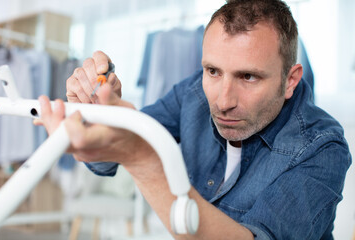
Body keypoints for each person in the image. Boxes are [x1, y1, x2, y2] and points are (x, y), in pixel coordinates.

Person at [37, 0, 351, 239]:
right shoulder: (193, 92)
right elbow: (109, 157)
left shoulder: (322, 146)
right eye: (213, 71)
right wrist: (102, 113)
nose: (223, 101)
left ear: (290, 80)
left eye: (249, 76)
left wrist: (141, 160)